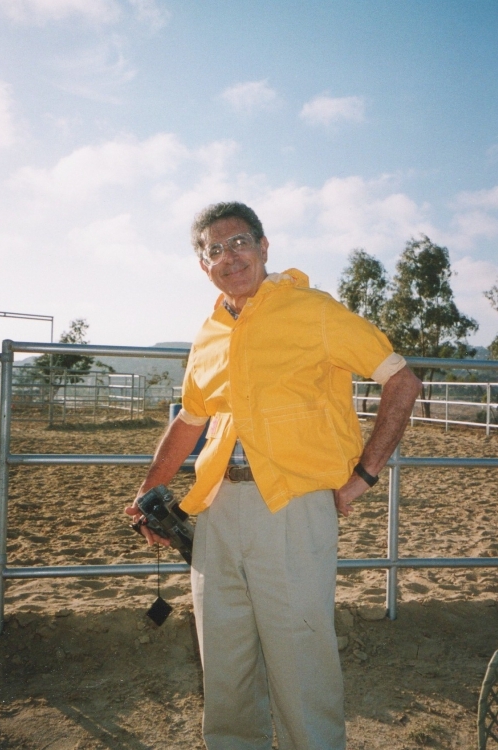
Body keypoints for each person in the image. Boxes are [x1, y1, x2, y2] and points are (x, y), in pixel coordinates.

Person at [126, 201, 421, 750]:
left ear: (264, 247)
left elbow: (402, 381)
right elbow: (190, 420)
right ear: (203, 266)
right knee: (224, 660)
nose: (229, 256)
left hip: (292, 506)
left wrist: (364, 475)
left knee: (300, 657)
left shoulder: (315, 311)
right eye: (215, 249)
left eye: (240, 242)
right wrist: (148, 492)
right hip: (216, 510)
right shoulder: (210, 333)